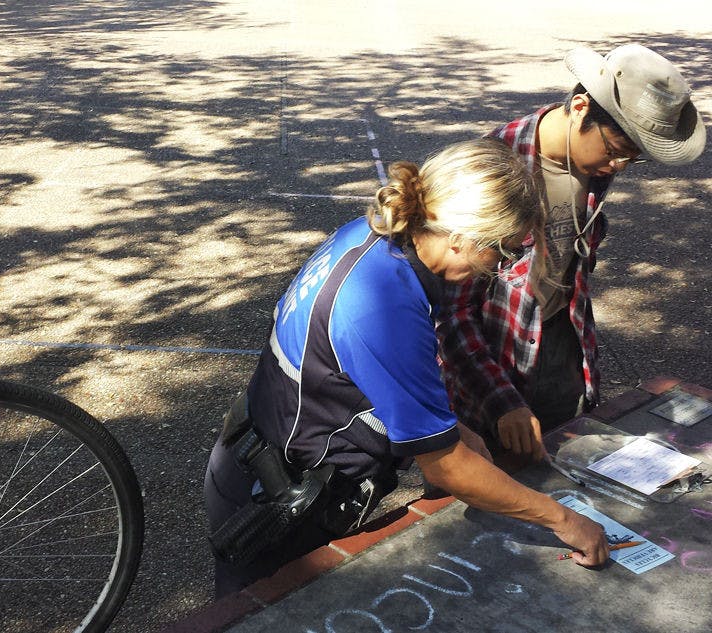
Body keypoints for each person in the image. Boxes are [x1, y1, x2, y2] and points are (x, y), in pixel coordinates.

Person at [203, 138, 609, 597]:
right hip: (277, 501)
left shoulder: (374, 239)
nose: (500, 268)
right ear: (461, 237)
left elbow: (373, 377)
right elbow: (446, 470)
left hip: (260, 459)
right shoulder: (384, 305)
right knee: (261, 615)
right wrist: (564, 519)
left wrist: (450, 425)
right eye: (503, 253)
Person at [437, 44, 707, 463]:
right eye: (616, 150)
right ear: (580, 107)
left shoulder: (593, 161)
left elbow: (575, 257)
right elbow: (452, 312)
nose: (618, 167)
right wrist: (501, 399)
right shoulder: (493, 169)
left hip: (563, 336)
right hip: (490, 359)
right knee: (491, 484)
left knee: (568, 466)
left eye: (632, 159)